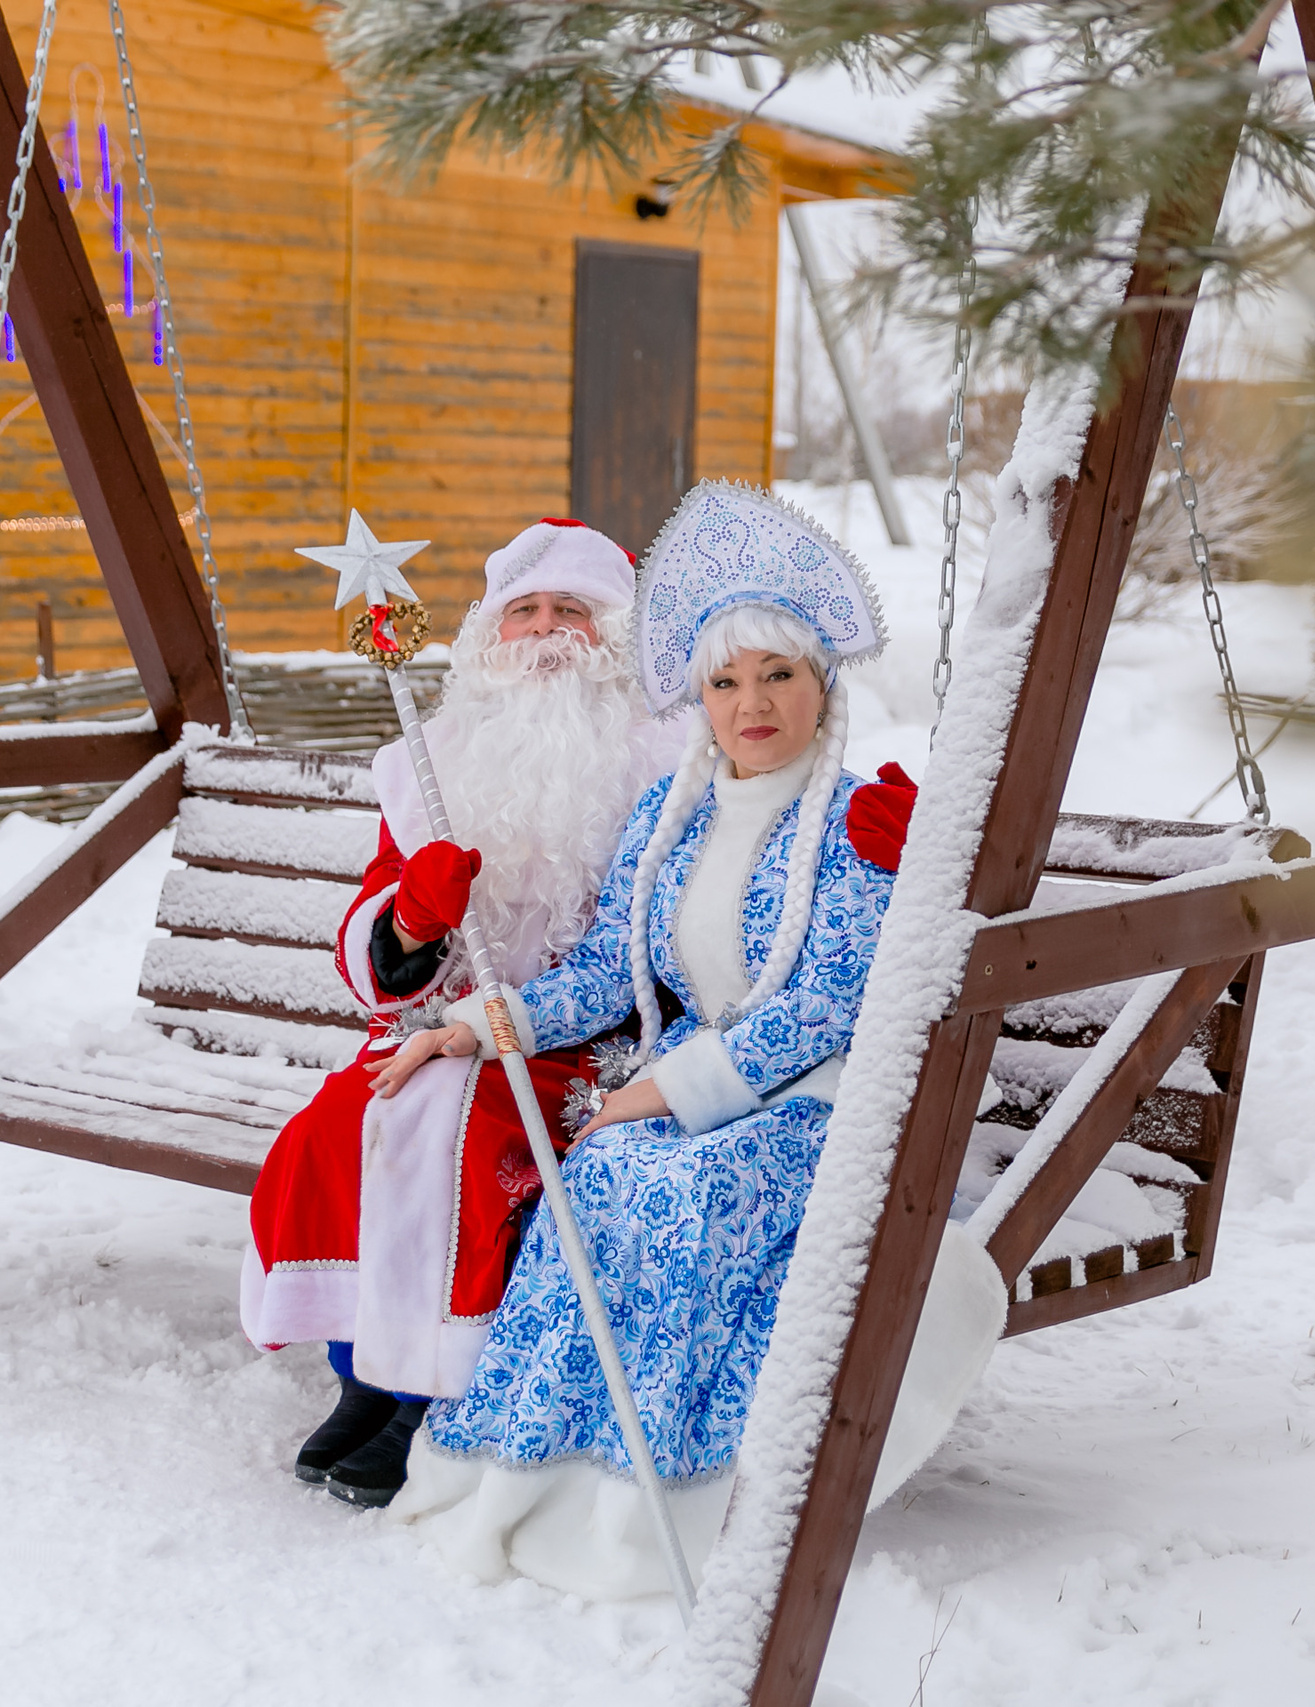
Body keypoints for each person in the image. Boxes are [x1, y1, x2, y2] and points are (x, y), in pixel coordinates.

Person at [363, 481, 912, 1596]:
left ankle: (674, 1488)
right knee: (602, 1173)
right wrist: (472, 1028)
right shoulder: (676, 821)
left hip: (818, 1099)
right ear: (699, 698)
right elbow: (607, 971)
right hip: (703, 1092)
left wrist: (658, 1094)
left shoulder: (850, 823)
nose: (749, 705)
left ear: (821, 686)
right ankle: (532, 1473)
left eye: (776, 677)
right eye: (724, 681)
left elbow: (820, 1014)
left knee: (664, 1185)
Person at [239, 518, 676, 1508]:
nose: (545, 629)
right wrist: (412, 920)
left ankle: (435, 1395)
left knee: (462, 1137)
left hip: (582, 1043)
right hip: (431, 1030)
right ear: (489, 635)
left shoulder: (662, 761)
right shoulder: (429, 767)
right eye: (522, 610)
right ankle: (368, 1376)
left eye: (572, 608)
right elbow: (371, 945)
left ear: (613, 633)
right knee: (337, 1128)